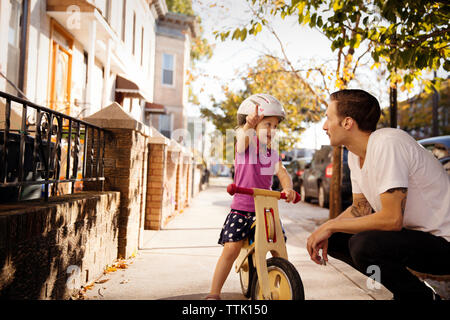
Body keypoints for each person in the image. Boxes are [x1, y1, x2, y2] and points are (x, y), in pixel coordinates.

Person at [306, 89, 450, 300]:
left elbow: (392, 220)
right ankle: (409, 292)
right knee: (336, 238)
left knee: (363, 245)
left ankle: (420, 298)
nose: (325, 126)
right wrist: (326, 229)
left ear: (347, 122)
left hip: (444, 243)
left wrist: (330, 224)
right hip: (418, 241)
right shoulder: (355, 155)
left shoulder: (387, 142)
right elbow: (359, 210)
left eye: (328, 118)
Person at [205, 93, 297, 300]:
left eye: (275, 126)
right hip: (242, 209)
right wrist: (249, 126)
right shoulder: (245, 148)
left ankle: (282, 283)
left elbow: (282, 172)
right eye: (267, 124)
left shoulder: (272, 152)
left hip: (266, 210)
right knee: (231, 248)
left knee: (278, 248)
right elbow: (239, 142)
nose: (272, 130)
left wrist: (288, 188)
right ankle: (214, 293)